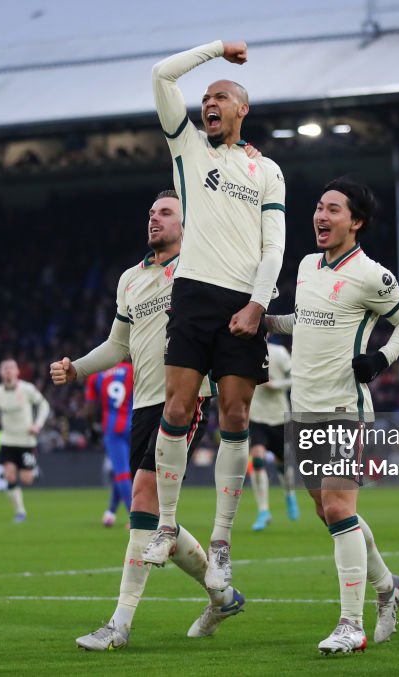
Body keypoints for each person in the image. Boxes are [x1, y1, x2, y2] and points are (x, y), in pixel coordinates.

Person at [51, 190, 245, 651]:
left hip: (183, 398)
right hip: (143, 405)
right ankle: (222, 595)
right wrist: (76, 367)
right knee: (153, 512)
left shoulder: (198, 270)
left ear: (186, 224)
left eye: (165, 213)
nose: (154, 220)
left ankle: (119, 623)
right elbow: (119, 345)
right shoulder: (130, 279)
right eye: (151, 214)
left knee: (143, 494)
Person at [143, 39, 287, 595]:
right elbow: (161, 73)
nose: (210, 102)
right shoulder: (188, 149)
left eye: (221, 96)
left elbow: (272, 246)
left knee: (234, 415)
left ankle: (222, 544)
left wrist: (258, 302)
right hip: (194, 297)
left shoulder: (266, 170)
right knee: (177, 408)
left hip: (242, 300)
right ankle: (168, 524)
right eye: (205, 97)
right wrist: (216, 54)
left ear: (242, 109)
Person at [264, 178, 399, 653]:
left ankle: (351, 624)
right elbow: (301, 322)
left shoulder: (373, 275)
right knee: (327, 512)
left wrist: (381, 359)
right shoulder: (309, 265)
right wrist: (263, 319)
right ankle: (389, 585)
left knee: (337, 508)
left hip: (343, 409)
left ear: (356, 222)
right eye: (317, 207)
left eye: (333, 209)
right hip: (303, 409)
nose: (321, 216)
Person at [0, 359, 50, 523]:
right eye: (5, 368)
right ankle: (20, 512)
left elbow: (44, 405)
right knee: (9, 474)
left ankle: (34, 471)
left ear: (17, 372)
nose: (8, 371)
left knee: (26, 479)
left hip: (26, 441)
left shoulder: (27, 389)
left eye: (11, 368)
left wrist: (38, 424)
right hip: (7, 440)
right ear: (1, 373)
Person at [249, 339, 298, 530]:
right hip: (257, 416)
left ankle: (290, 495)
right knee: (258, 460)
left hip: (279, 417)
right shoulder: (245, 354)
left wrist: (276, 384)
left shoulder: (279, 353)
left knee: (283, 463)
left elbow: (295, 378)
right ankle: (263, 511)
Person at [86, 361, 135, 526]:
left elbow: (90, 408)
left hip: (112, 429)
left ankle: (133, 516)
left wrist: (92, 429)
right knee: (125, 472)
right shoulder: (132, 369)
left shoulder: (96, 374)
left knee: (121, 472)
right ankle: (111, 511)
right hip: (135, 425)